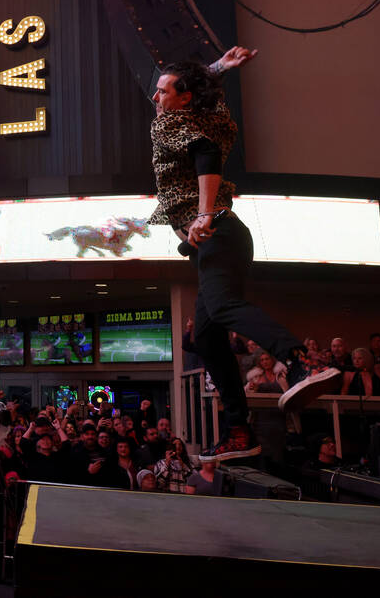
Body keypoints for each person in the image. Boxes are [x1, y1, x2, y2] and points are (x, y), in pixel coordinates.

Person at [148, 48, 340, 462]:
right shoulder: (206, 115)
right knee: (204, 335)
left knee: (222, 306)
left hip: (217, 231)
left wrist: (203, 213)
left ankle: (302, 361)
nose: (155, 98)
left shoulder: (174, 125)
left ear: (182, 99)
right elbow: (199, 97)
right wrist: (216, 69)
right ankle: (239, 430)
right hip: (217, 241)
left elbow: (207, 155)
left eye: (162, 91)